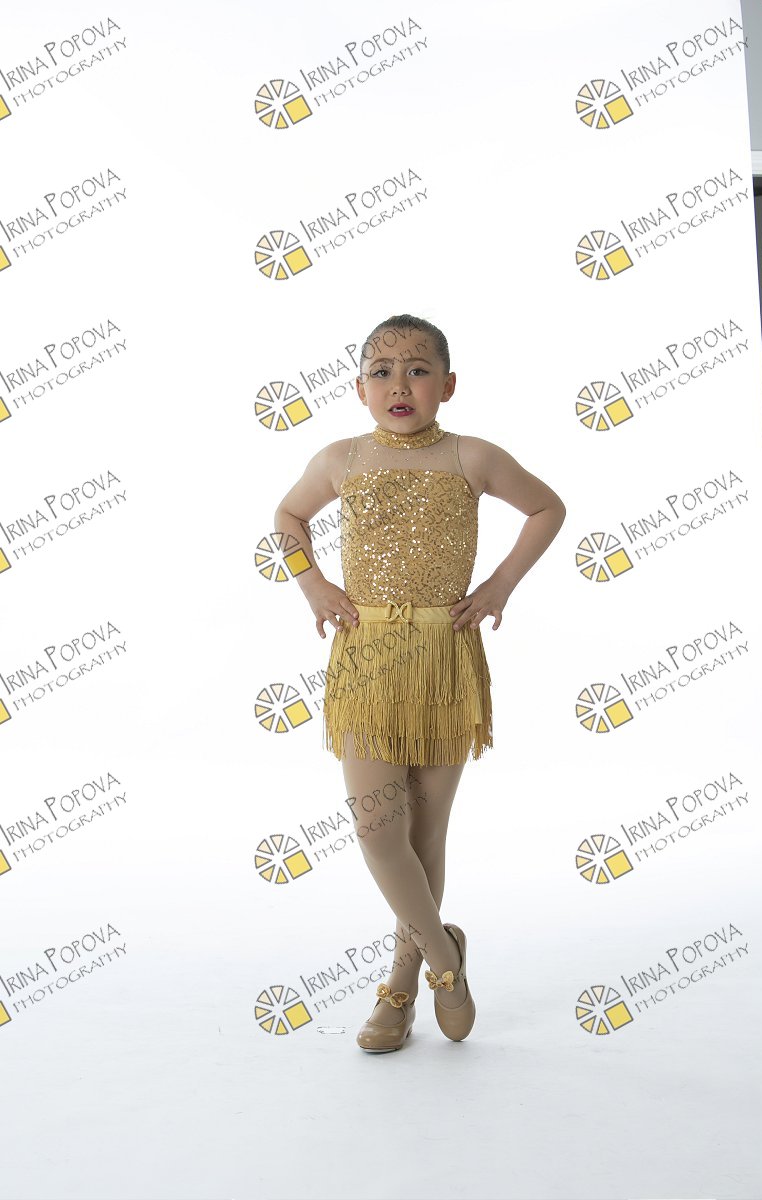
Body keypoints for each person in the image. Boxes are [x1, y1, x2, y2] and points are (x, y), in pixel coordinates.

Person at [273, 314, 566, 1052]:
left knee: (424, 835)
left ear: (448, 384)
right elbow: (287, 516)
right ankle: (445, 959)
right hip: (367, 661)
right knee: (379, 830)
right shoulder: (340, 459)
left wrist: (498, 586)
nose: (399, 383)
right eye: (382, 371)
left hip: (444, 660)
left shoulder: (472, 456)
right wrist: (314, 586)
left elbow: (547, 507)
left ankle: (400, 986)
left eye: (417, 369)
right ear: (359, 389)